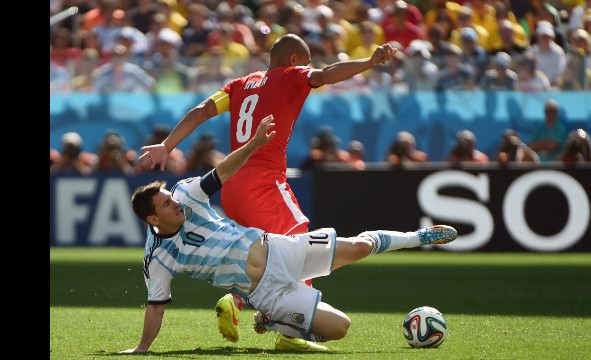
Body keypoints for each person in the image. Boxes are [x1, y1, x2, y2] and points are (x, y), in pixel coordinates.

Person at [136, 33, 398, 347]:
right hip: (263, 181)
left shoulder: (239, 84)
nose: (307, 69)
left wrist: (167, 145)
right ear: (293, 60)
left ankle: (249, 304)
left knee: (260, 254)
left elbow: (203, 110)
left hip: (232, 185)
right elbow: (327, 75)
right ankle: (280, 327)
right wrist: (369, 62)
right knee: (302, 242)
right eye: (305, 62)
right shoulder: (293, 75)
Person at [121, 115, 457, 353]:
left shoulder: (187, 194)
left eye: (170, 198)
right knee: (341, 328)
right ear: (153, 218)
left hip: (280, 251)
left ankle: (419, 236)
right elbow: (155, 306)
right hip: (265, 293)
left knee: (359, 247)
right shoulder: (157, 258)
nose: (174, 203)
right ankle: (271, 319)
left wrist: (253, 144)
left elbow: (222, 171)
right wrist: (142, 348)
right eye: (166, 205)